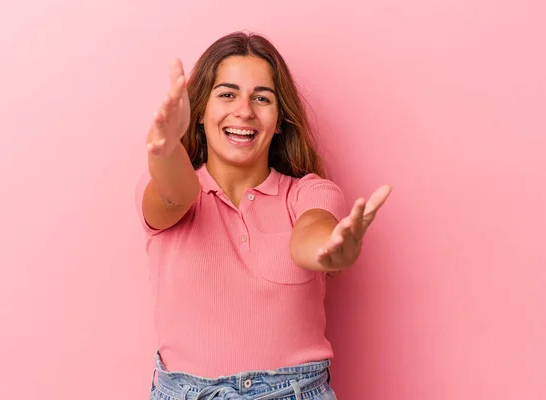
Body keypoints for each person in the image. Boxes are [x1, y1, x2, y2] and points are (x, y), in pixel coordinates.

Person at [135, 31, 391, 400]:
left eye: (262, 98)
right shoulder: (176, 190)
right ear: (200, 113)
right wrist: (165, 146)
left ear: (281, 119)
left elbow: (311, 234)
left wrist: (332, 248)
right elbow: (175, 192)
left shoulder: (309, 192)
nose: (244, 110)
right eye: (227, 94)